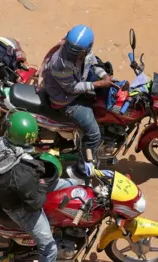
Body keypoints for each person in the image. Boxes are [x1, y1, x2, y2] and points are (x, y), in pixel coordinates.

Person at [0, 111, 81, 262]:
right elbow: (35, 203)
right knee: (49, 247)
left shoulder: (0, 145)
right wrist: (42, 186)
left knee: (72, 183)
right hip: (18, 206)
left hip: (16, 188)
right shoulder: (22, 175)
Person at [40, 24, 113, 179]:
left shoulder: (82, 50)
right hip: (65, 100)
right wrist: (97, 84)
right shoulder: (60, 63)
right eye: (72, 50)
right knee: (94, 134)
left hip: (75, 88)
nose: (73, 54)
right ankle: (80, 171)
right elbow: (72, 88)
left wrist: (103, 75)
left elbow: (91, 61)